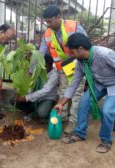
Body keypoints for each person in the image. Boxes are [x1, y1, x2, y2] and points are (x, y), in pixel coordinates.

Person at [54, 33, 115, 153]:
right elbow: (74, 83)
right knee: (83, 103)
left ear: (80, 48)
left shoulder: (104, 54)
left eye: (72, 52)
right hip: (100, 84)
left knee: (107, 111)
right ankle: (80, 133)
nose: (71, 55)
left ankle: (106, 140)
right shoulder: (81, 62)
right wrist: (61, 103)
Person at [39, 5, 87, 134]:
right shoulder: (48, 33)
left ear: (58, 17)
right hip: (63, 68)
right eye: (46, 21)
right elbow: (41, 52)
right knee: (63, 92)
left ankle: (73, 123)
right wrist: (34, 66)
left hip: (77, 65)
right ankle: (63, 116)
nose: (48, 24)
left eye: (50, 21)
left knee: (76, 95)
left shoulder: (74, 27)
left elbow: (85, 44)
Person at [14, 54, 60, 122]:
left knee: (41, 113)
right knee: (14, 100)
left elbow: (45, 91)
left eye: (45, 66)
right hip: (35, 96)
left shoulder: (55, 75)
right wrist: (24, 94)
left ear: (50, 65)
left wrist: (26, 98)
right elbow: (31, 84)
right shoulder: (38, 69)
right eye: (42, 66)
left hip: (47, 98)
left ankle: (47, 112)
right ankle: (32, 111)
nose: (43, 68)